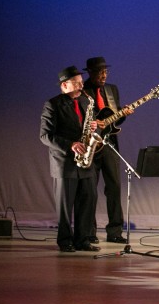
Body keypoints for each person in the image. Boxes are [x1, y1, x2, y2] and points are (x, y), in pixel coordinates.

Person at [39, 66, 101, 252]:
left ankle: (82, 240)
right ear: (64, 85)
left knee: (88, 200)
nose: (81, 86)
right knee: (66, 206)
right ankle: (65, 241)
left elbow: (83, 127)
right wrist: (70, 145)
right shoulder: (52, 104)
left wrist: (91, 127)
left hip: (85, 162)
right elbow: (45, 136)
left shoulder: (84, 102)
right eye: (77, 83)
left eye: (82, 82)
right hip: (65, 163)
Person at [83, 56, 133, 244]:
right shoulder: (83, 90)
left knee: (114, 187)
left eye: (106, 71)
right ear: (90, 72)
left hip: (110, 144)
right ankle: (88, 232)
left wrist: (124, 114)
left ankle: (115, 232)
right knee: (90, 190)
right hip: (91, 145)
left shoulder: (112, 90)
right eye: (99, 72)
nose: (103, 75)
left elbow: (115, 120)